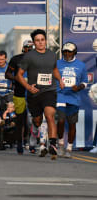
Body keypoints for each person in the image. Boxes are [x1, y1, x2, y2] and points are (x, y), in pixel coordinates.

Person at [16, 29, 65, 160]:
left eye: (42, 40)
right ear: (34, 42)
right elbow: (18, 75)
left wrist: (60, 80)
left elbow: (54, 69)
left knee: (50, 115)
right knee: (37, 120)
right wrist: (27, 87)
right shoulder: (29, 56)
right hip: (34, 93)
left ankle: (53, 144)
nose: (40, 43)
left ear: (45, 41)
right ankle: (35, 132)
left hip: (49, 90)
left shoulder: (52, 55)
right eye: (37, 41)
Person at [56, 42, 87, 158]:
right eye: (65, 51)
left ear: (75, 52)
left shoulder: (81, 65)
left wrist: (78, 87)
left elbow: (84, 82)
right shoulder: (57, 63)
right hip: (60, 96)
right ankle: (60, 145)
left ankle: (69, 148)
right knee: (61, 121)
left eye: (69, 51)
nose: (67, 53)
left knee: (72, 124)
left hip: (73, 98)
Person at [5, 40, 35, 154]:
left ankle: (32, 143)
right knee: (20, 120)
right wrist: (16, 79)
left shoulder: (38, 59)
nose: (30, 49)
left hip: (34, 92)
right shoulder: (16, 59)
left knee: (35, 120)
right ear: (23, 48)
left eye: (32, 47)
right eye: (28, 47)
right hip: (19, 93)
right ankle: (19, 143)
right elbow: (7, 74)